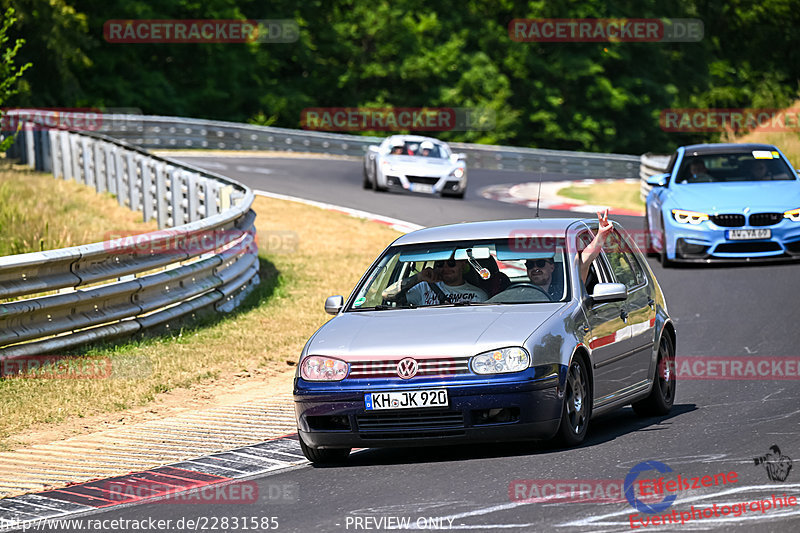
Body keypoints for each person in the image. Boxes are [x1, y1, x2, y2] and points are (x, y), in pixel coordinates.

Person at [524, 209, 613, 298]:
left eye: (540, 263)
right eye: (530, 265)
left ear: (552, 267)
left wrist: (601, 236)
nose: (535, 268)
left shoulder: (569, 290)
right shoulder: (520, 294)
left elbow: (586, 259)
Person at [383, 259, 488, 306]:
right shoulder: (423, 287)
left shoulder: (478, 296)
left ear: (463, 264)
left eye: (451, 263)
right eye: (440, 264)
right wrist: (419, 277)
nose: (445, 268)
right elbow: (387, 295)